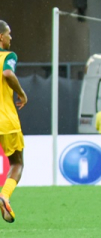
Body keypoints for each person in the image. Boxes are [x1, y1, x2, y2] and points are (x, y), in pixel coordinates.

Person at [0, 20, 26, 223]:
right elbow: (8, 73)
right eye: (9, 34)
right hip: (6, 121)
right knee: (17, 163)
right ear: (1, 37)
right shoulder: (8, 56)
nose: (11, 37)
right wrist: (21, 93)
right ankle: (4, 195)